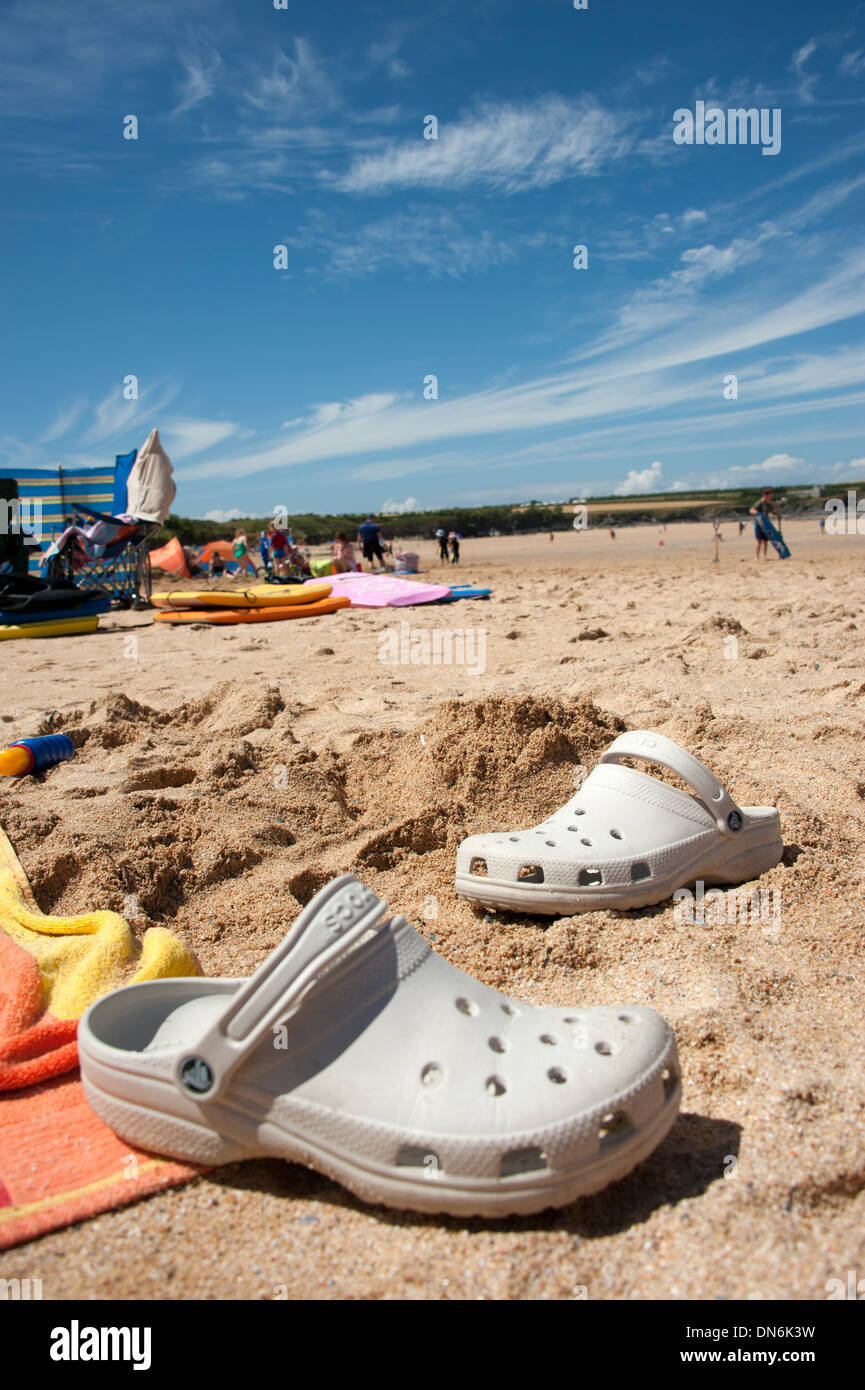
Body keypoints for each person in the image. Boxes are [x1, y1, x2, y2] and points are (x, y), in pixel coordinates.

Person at [749, 488, 780, 561]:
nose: (771, 497)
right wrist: (757, 513)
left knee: (765, 541)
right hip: (759, 523)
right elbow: (751, 510)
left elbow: (772, 512)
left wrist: (777, 515)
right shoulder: (759, 503)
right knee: (759, 540)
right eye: (770, 496)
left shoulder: (768, 504)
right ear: (765, 495)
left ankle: (764, 556)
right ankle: (757, 556)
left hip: (766, 524)